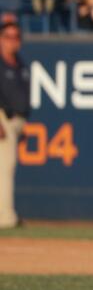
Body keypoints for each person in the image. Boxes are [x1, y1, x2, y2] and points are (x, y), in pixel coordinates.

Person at [0, 22, 29, 229]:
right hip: (3, 118)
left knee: (7, 166)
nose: (13, 41)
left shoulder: (19, 63)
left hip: (17, 121)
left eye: (17, 37)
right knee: (5, 167)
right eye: (9, 37)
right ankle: (5, 217)